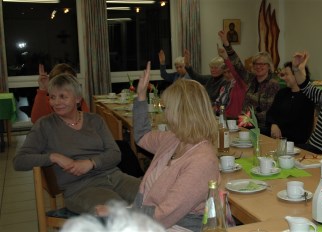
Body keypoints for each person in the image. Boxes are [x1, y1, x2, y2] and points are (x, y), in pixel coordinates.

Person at [13, 73, 140, 214]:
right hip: (81, 188)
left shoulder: (94, 120)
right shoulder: (45, 125)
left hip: (116, 178)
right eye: (52, 97)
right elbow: (19, 161)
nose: (56, 102)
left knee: (157, 197)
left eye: (63, 96)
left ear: (78, 99)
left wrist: (91, 163)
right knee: (115, 212)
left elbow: (115, 154)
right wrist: (53, 157)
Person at [120, 62, 219, 230]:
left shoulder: (202, 161)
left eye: (167, 108)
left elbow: (164, 214)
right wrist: (141, 97)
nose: (164, 112)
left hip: (175, 225)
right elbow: (142, 136)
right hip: (149, 216)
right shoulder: (175, 139)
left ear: (182, 112)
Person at [221, 31, 280, 135]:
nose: (258, 66)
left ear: (269, 66)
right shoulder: (251, 79)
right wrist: (226, 44)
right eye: (256, 63)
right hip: (245, 123)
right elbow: (237, 64)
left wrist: (248, 117)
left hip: (262, 127)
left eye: (262, 64)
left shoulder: (273, 84)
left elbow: (270, 112)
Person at [266, 62, 315, 144]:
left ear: (297, 75)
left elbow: (301, 128)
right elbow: (271, 113)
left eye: (286, 75)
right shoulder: (282, 93)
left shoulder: (307, 97)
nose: (283, 78)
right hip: (276, 136)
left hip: (294, 142)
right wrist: (273, 124)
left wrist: (280, 135)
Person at [61, 201, 165, 232]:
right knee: (102, 212)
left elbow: (115, 155)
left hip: (113, 174)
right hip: (83, 185)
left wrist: (93, 163)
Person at [216, 39, 248, 119]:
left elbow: (235, 70)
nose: (226, 75)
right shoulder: (224, 86)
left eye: (229, 72)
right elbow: (219, 104)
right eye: (224, 72)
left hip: (236, 120)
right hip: (224, 117)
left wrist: (225, 57)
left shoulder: (240, 83)